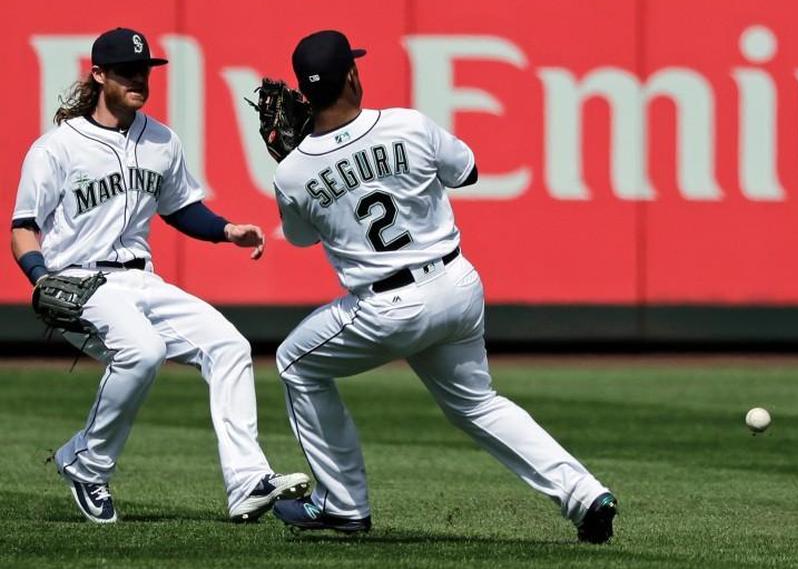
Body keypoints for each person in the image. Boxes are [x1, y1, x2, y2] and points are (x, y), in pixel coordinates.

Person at [267, 30, 617, 543]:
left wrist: (298, 160)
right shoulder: (408, 124)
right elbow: (467, 171)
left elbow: (300, 238)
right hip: (456, 286)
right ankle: (585, 495)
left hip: (386, 307)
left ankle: (342, 504)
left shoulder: (295, 171)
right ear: (352, 76)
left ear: (303, 91)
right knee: (479, 404)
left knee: (295, 363)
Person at [10, 27, 309, 524]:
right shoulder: (56, 148)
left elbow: (180, 207)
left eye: (144, 70)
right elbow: (23, 228)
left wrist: (226, 230)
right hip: (82, 281)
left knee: (229, 346)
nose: (139, 79)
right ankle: (88, 462)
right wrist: (40, 276)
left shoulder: (161, 140)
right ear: (99, 75)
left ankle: (247, 482)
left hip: (142, 280)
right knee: (143, 351)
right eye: (127, 71)